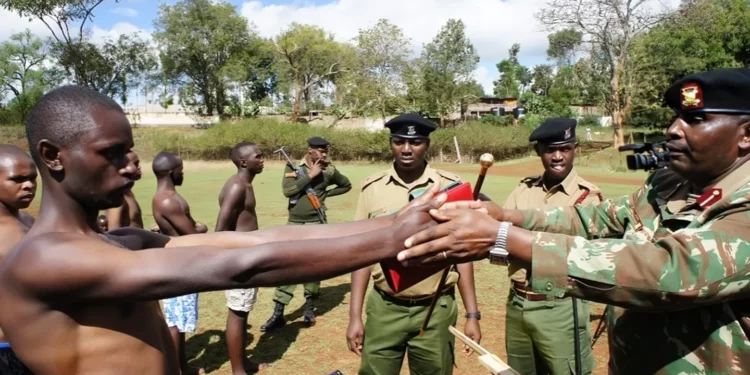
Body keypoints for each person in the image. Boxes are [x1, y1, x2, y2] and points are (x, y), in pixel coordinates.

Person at [0, 85, 450, 375]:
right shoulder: (45, 259)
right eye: (111, 154)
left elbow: (254, 240)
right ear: (52, 156)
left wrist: (394, 222)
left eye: (129, 152)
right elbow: (239, 266)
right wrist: (391, 240)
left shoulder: (120, 241)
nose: (130, 169)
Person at [397, 68, 750, 374]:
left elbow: (669, 271)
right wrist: (507, 215)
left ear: (746, 134)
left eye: (696, 119)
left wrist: (502, 237)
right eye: (675, 117)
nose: (673, 130)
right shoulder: (671, 181)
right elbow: (597, 218)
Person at [347, 113, 481, 375]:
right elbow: (361, 256)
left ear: (427, 145)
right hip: (385, 308)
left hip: (435, 310)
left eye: (416, 142)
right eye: (399, 141)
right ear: (391, 143)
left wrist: (472, 315)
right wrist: (354, 317)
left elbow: (461, 255)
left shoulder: (448, 188)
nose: (407, 149)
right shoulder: (372, 188)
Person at [502, 118, 601, 375]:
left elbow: (588, 258)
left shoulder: (587, 197)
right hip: (517, 302)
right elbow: (500, 237)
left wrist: (518, 239)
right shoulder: (523, 189)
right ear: (538, 152)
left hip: (561, 305)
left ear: (575, 149)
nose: (557, 156)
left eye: (565, 149)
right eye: (549, 149)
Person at [261, 136, 352, 331]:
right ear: (310, 150)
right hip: (294, 224)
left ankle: (309, 309)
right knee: (287, 266)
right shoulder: (294, 168)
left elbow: (346, 185)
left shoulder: (329, 170)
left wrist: (325, 194)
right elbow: (288, 191)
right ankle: (279, 312)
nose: (324, 153)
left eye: (326, 150)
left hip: (317, 224)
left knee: (314, 267)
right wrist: (310, 176)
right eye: (320, 150)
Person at [151, 151, 209, 375]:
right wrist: (201, 228)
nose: (182, 172)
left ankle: (182, 366)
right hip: (179, 267)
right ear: (170, 172)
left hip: (178, 263)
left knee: (179, 321)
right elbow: (192, 232)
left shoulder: (164, 197)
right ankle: (176, 370)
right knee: (175, 323)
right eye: (180, 169)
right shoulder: (168, 200)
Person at [215, 142, 269, 375]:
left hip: (248, 256)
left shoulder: (245, 184)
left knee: (243, 310)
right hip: (240, 259)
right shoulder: (237, 187)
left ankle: (243, 362)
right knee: (237, 313)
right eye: (259, 156)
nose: (263, 159)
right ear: (244, 162)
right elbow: (221, 228)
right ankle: (238, 370)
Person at [0, 145, 37, 375]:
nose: (29, 186)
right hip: (4, 350)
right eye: (18, 179)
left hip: (37, 346)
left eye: (33, 178)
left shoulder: (30, 223)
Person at [105, 152, 144, 229]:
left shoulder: (128, 193)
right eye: (135, 164)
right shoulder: (117, 198)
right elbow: (114, 234)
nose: (139, 167)